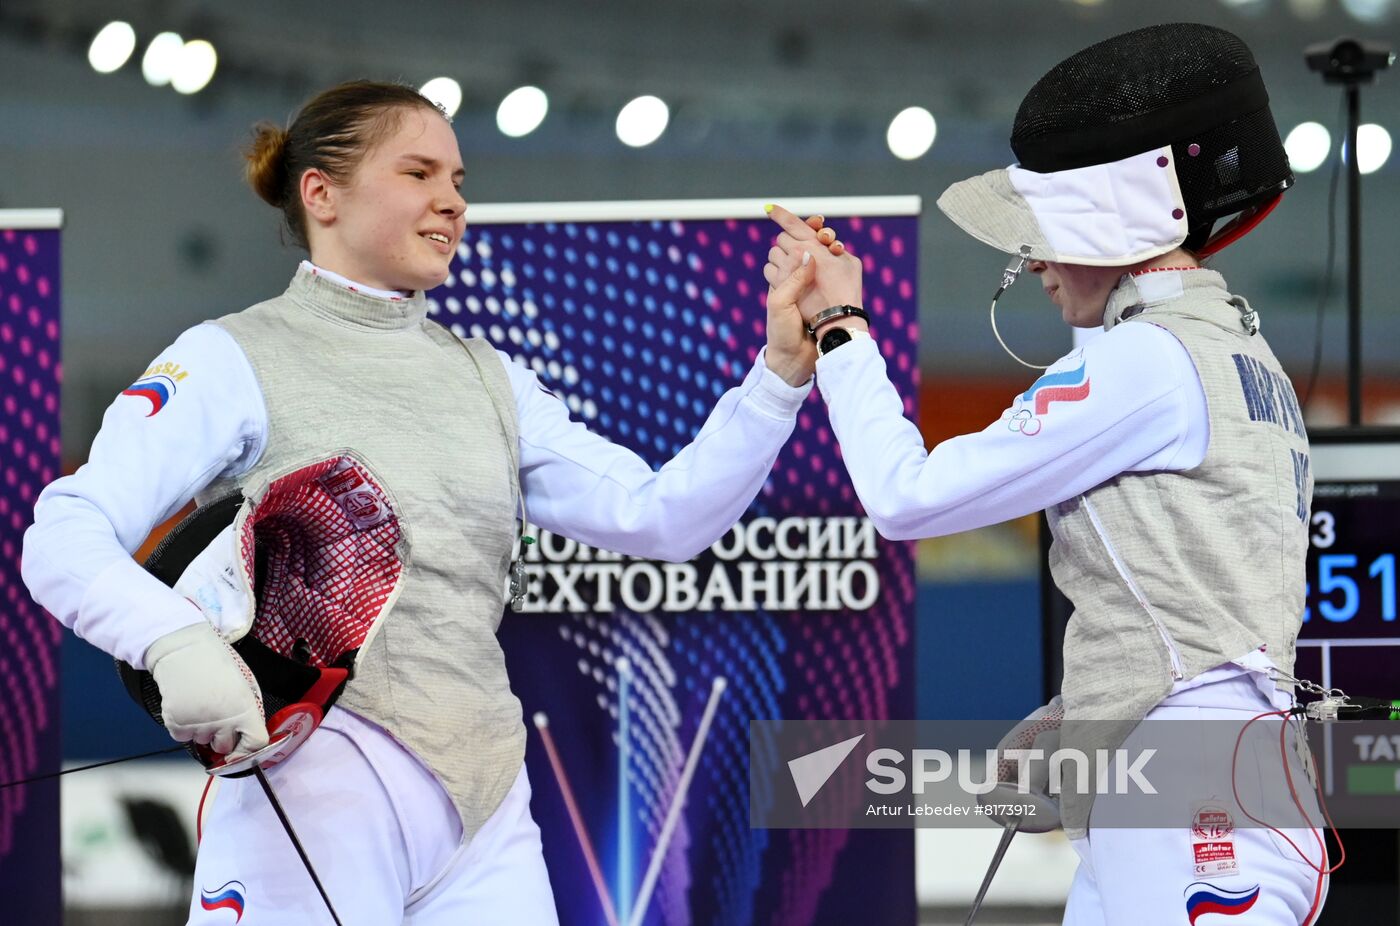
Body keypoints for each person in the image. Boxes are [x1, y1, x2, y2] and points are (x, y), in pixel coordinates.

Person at [22, 80, 819, 924]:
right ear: (321, 193)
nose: (451, 200)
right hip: (314, 785)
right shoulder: (231, 358)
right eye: (419, 172)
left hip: (485, 806)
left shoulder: (490, 379)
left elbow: (665, 517)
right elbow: (65, 533)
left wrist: (777, 379)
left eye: (460, 180)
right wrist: (175, 642)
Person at [765, 23, 1328, 926]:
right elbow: (1199, 599)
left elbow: (905, 498)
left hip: (1190, 796)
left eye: (1045, 236)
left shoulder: (1142, 362)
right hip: (1226, 776)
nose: (1029, 265)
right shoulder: (1245, 354)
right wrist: (1097, 705)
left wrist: (842, 328)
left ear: (1116, 225)